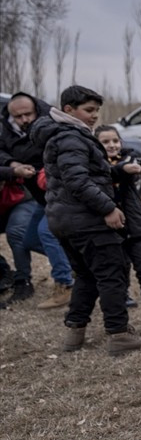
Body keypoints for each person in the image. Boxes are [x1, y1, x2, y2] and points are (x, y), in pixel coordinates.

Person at [31, 86, 141, 355]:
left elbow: (87, 174)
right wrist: (108, 208)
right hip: (87, 221)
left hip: (66, 220)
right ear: (69, 110)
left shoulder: (64, 135)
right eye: (89, 110)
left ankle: (75, 333)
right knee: (112, 273)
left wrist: (119, 170)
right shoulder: (70, 137)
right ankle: (119, 334)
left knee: (87, 275)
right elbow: (77, 181)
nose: (95, 115)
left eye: (97, 110)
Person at [0, 92, 74, 307]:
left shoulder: (52, 123)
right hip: (40, 196)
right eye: (18, 116)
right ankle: (80, 264)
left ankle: (65, 284)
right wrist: (14, 165)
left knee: (45, 233)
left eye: (27, 114)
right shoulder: (8, 129)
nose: (24, 119)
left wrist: (43, 170)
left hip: (56, 193)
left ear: (36, 109)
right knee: (30, 239)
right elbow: (2, 151)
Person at [95, 125, 141, 335]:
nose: (112, 145)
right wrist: (121, 170)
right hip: (109, 228)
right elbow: (104, 175)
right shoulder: (94, 165)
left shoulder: (131, 158)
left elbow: (139, 169)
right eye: (105, 142)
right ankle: (121, 322)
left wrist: (129, 168)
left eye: (115, 141)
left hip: (135, 225)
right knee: (117, 273)